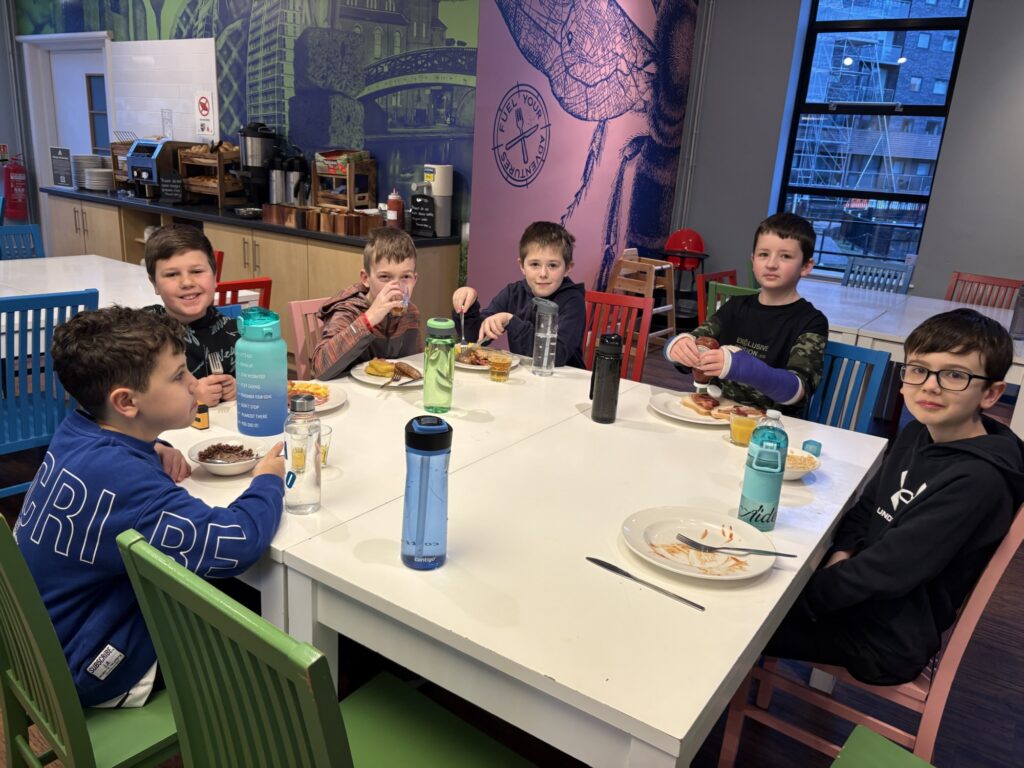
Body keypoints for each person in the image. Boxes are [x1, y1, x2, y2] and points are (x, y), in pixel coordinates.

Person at [14, 306, 285, 707]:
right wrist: (268, 480)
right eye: (179, 376)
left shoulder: (76, 430)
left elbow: (116, 461)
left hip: (42, 643)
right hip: (92, 665)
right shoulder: (124, 479)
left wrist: (154, 445)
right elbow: (237, 543)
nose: (194, 384)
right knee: (260, 605)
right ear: (126, 401)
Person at [765, 309, 1024, 685]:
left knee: (736, 623)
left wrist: (788, 601)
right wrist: (841, 552)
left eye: (955, 375)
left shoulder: (979, 480)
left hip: (885, 639)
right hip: (860, 602)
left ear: (991, 393)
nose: (929, 386)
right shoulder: (917, 432)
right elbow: (868, 507)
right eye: (918, 369)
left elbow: (888, 572)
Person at [665, 212, 828, 413]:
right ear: (753, 260)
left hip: (771, 426)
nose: (771, 264)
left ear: (806, 266)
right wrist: (677, 347)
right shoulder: (735, 306)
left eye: (785, 256)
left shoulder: (811, 321)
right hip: (719, 415)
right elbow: (696, 341)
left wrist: (743, 367)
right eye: (763, 254)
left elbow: (797, 391)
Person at [452, 221, 586, 368]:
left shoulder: (573, 300)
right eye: (535, 264)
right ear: (522, 266)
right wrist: (468, 306)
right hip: (525, 376)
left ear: (568, 268)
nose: (543, 274)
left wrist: (511, 321)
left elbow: (557, 356)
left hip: (563, 378)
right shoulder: (513, 293)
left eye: (552, 265)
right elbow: (474, 338)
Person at [144, 224, 237, 406]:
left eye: (197, 271)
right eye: (172, 274)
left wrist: (240, 388)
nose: (187, 282)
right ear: (154, 284)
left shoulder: (235, 332)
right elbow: (136, 400)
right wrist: (190, 397)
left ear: (215, 277)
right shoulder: (141, 337)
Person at [312, 227, 422, 379]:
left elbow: (414, 365)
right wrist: (368, 320)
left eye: (405, 277)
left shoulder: (411, 313)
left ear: (414, 280)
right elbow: (320, 368)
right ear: (365, 278)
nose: (396, 288)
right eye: (385, 277)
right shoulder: (348, 310)